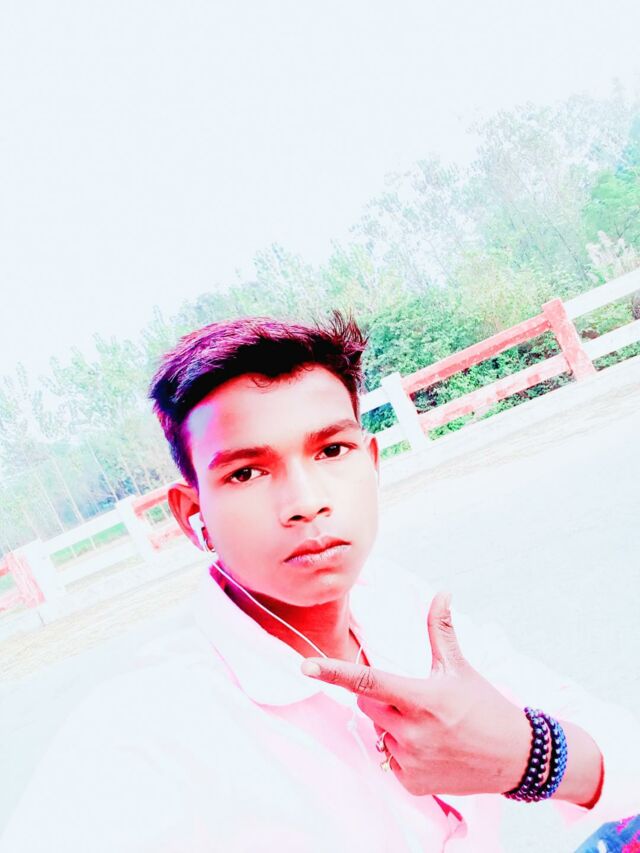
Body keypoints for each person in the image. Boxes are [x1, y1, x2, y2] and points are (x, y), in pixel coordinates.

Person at [2, 310, 639, 852]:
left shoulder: (401, 610)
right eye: (246, 473)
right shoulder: (139, 735)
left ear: (371, 463)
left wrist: (532, 755)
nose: (306, 503)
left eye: (331, 451)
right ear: (193, 515)